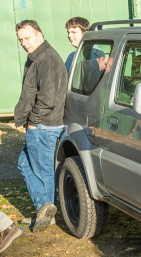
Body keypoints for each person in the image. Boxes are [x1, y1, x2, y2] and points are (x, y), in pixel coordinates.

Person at [14, 20, 67, 233]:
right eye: (20, 40)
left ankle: (46, 214)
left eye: (27, 38)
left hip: (44, 125)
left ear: (39, 35)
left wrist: (33, 122)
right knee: (25, 165)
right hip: (41, 124)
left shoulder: (46, 59)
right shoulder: (37, 57)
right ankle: (44, 211)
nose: (24, 43)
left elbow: (47, 98)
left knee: (42, 169)